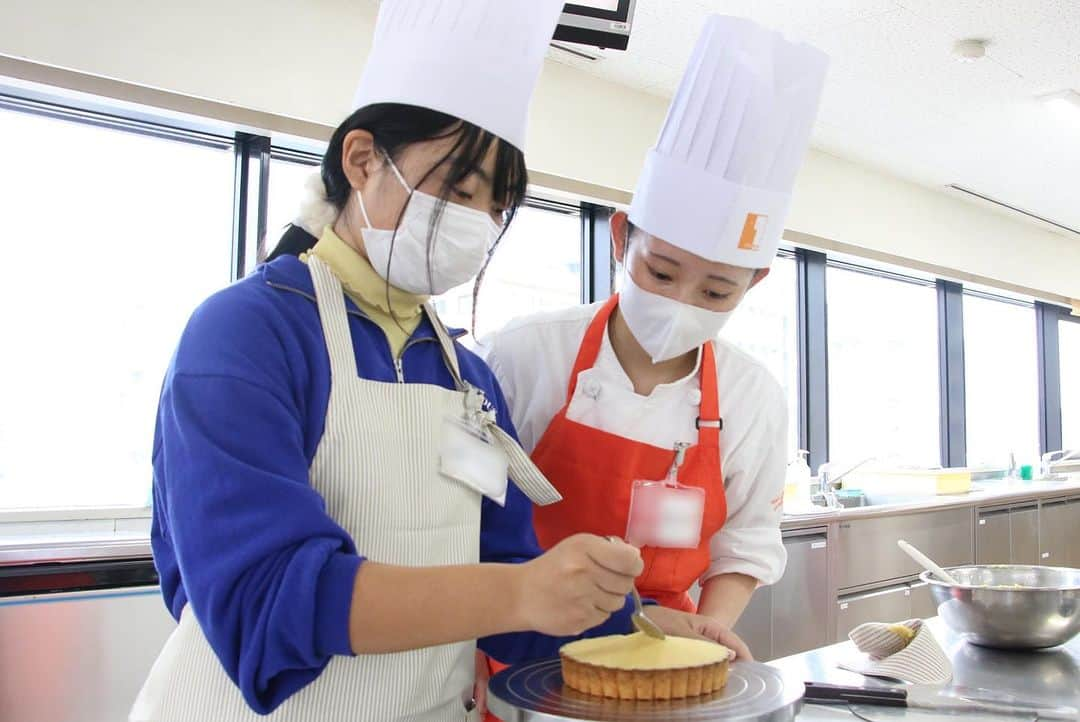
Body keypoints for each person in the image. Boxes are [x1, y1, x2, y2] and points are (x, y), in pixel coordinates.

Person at [131, 3, 745, 721]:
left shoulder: (466, 378)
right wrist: (519, 591)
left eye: (496, 204)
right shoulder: (247, 333)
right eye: (457, 188)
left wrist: (638, 620)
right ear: (361, 160)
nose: (477, 221)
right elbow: (265, 599)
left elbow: (509, 580)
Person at [481, 14, 829, 649]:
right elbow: (467, 518)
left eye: (716, 290)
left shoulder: (752, 397)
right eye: (663, 271)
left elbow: (746, 543)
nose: (680, 302)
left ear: (752, 286)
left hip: (667, 650)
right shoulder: (526, 352)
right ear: (620, 238)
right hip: (522, 642)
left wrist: (701, 637)